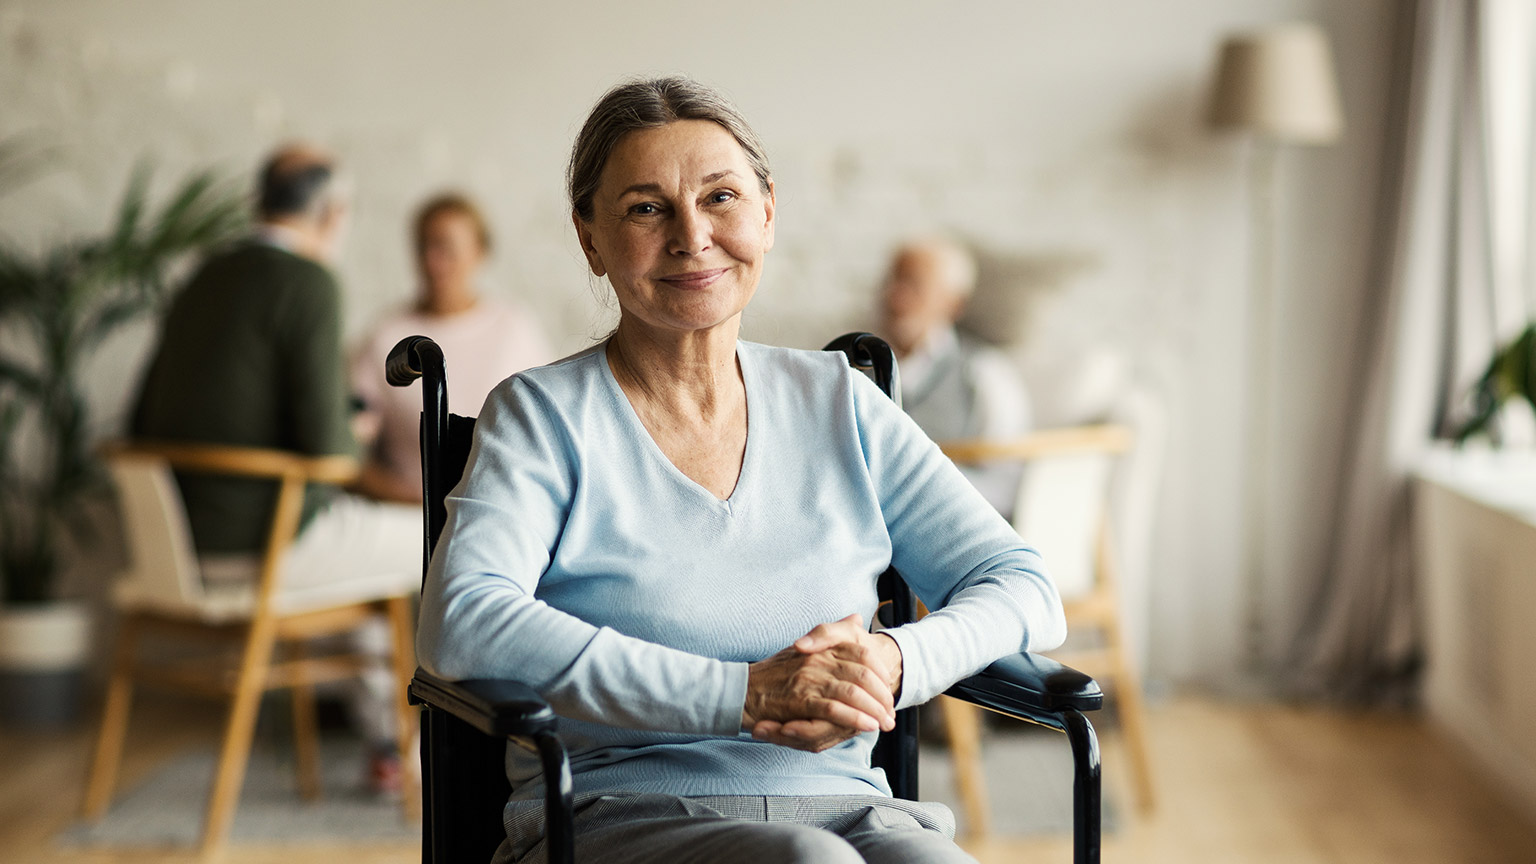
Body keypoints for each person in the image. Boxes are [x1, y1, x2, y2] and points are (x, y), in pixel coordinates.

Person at [416, 78, 1066, 864]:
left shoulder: (841, 403)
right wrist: (745, 694)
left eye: (720, 196)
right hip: (616, 816)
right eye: (646, 208)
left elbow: (1023, 582)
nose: (693, 236)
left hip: (853, 809)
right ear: (591, 238)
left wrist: (896, 661)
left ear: (766, 210)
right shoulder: (541, 416)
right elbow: (464, 621)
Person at [132, 144, 419, 791]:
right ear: (333, 213)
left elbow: (140, 418)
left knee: (365, 563)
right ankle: (429, 751)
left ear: (260, 200)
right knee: (442, 538)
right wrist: (356, 431)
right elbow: (330, 454)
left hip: (175, 552)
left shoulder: (202, 276)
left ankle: (385, 741)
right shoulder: (308, 280)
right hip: (265, 550)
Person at [350, 193, 552, 503]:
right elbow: (348, 448)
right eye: (423, 247)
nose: (433, 262)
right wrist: (416, 502)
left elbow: (546, 434)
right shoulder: (386, 336)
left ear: (479, 252)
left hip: (500, 506)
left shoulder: (514, 329)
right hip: (409, 516)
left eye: (446, 248)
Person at [878, 238, 1031, 515]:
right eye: (893, 281)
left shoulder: (985, 374)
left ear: (953, 304)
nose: (896, 297)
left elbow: (1007, 484)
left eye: (914, 285)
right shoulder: (853, 368)